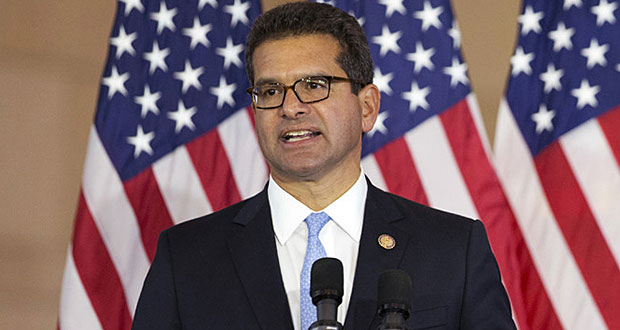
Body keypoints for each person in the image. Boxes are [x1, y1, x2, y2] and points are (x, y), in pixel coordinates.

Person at [132, 2, 516, 330]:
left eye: (314, 85)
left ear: (367, 107)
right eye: (270, 91)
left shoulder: (452, 250)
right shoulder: (186, 259)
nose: (290, 107)